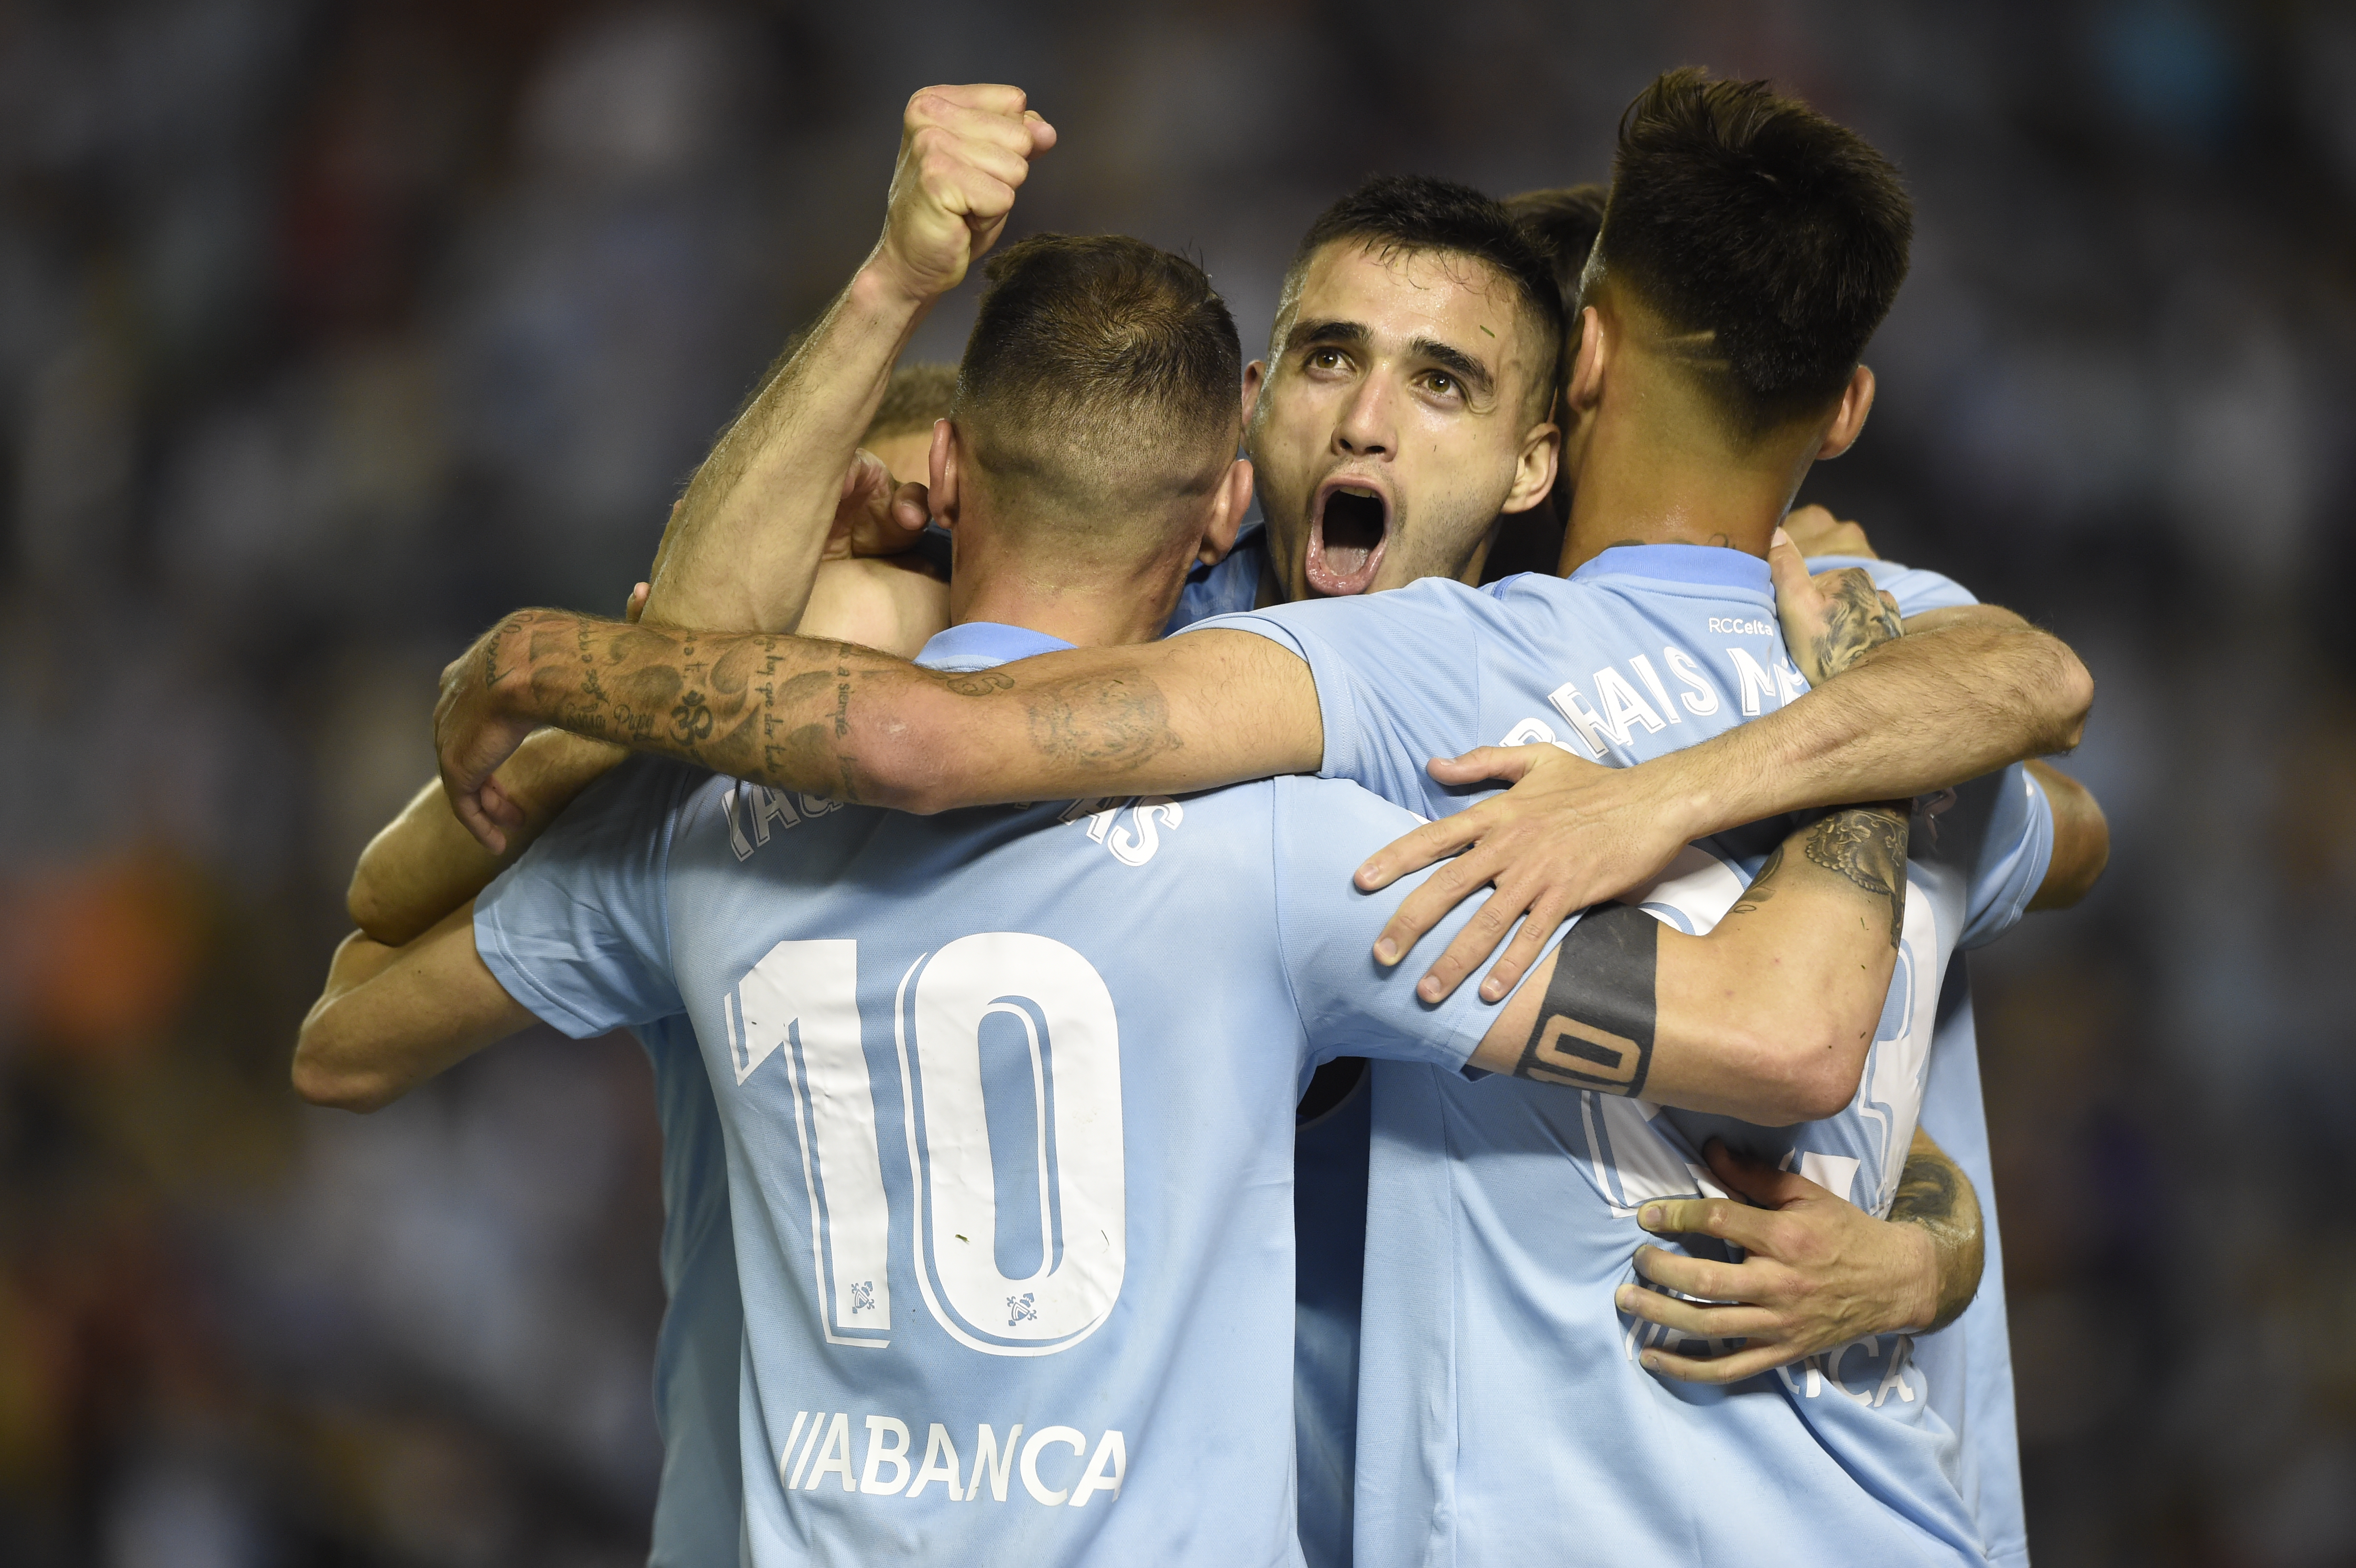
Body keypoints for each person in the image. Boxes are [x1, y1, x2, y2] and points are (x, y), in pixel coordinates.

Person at [426, 72, 2102, 1565]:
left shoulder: (1464, 687)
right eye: (1328, 361)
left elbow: (1912, 969)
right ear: (1242, 417)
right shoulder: (1149, 630)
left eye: (1444, 384)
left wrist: (1924, 1253)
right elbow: (850, 690)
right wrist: (877, 356)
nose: (1369, 419)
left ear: (1548, 434)